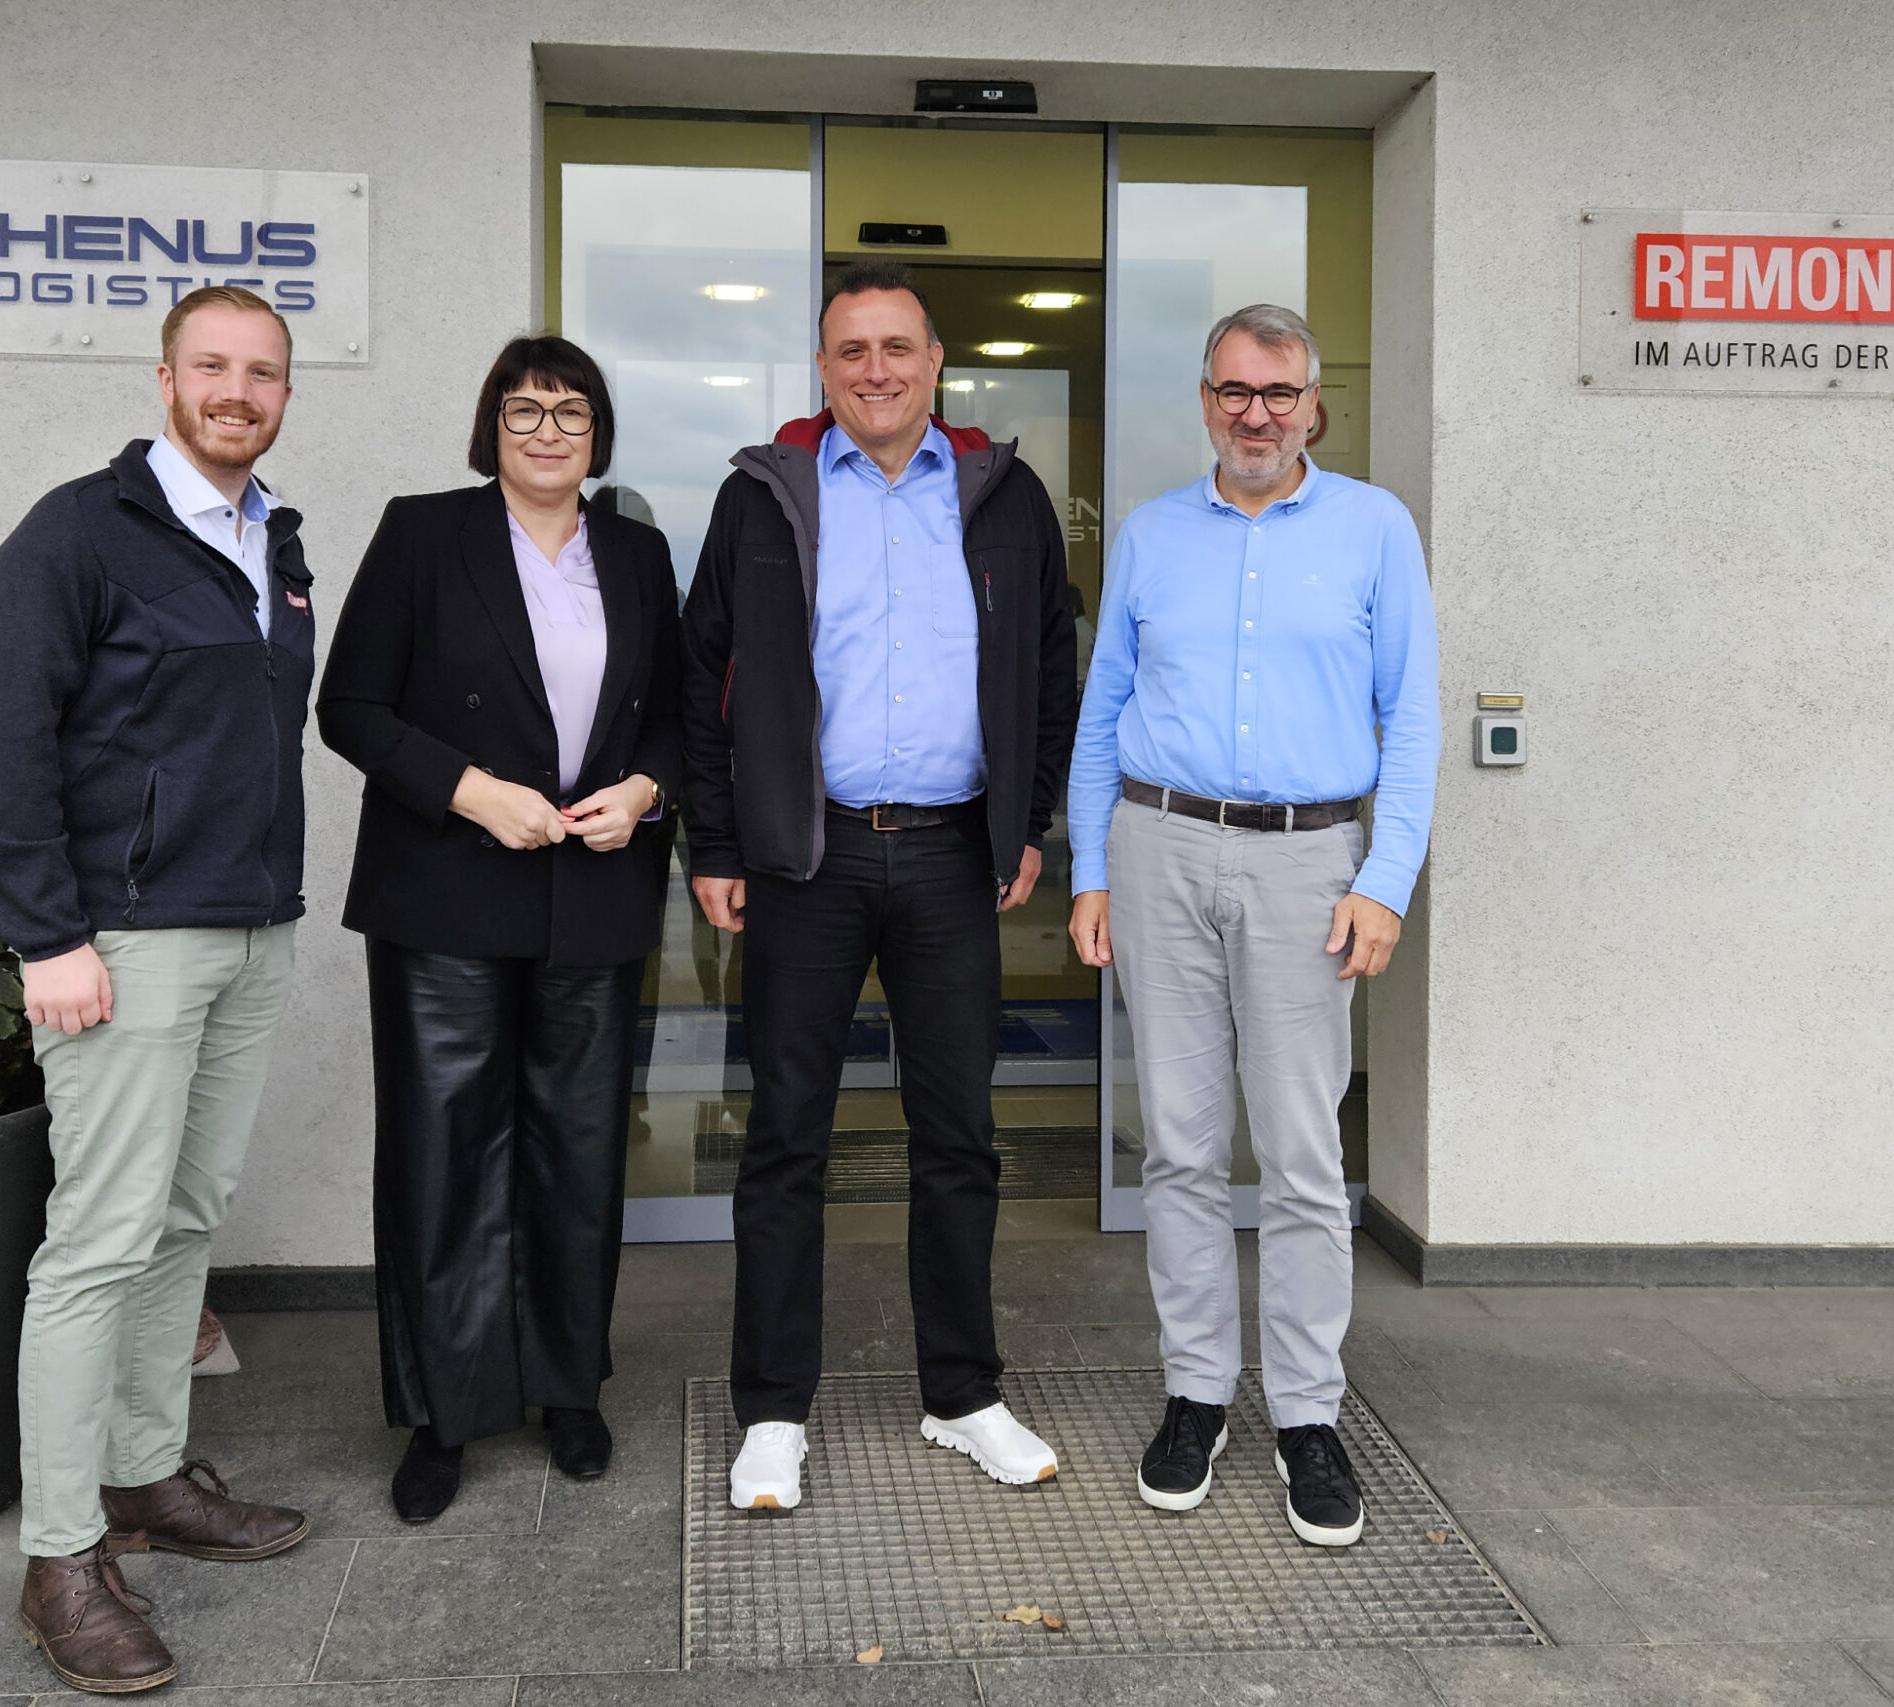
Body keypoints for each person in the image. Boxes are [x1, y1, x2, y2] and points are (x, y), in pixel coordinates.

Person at [0, 286, 318, 1694]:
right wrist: (47, 935)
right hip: (121, 941)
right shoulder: (76, 533)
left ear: (284, 392)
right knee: (98, 1242)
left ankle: (146, 1476)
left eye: (263, 372)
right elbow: (5, 742)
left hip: (249, 931)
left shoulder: (273, 537)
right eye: (212, 366)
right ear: (165, 378)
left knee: (183, 1218)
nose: (238, 390)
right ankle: (59, 1557)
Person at [680, 261, 1079, 1511]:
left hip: (955, 853)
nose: (875, 370)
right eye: (851, 350)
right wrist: (716, 844)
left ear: (935, 360)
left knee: (957, 1136)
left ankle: (961, 1394)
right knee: (785, 1137)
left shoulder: (1001, 492)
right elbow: (704, 676)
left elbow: (1049, 665)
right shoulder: (764, 496)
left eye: (897, 347)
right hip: (808, 855)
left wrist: (1025, 820)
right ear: (821, 367)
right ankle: (771, 1411)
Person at [1068, 303, 1439, 1547]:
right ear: (1206, 401)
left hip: (1307, 864)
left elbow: (1413, 717)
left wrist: (1384, 880)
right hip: (1159, 846)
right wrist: (1090, 869)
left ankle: (1307, 1413)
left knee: (1300, 1155)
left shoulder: (1374, 529)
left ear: (1312, 405)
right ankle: (1195, 1394)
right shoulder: (1150, 534)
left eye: (1278, 393)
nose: (1256, 414)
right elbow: (1102, 708)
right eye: (1233, 391)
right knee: (1177, 1147)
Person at [318, 336, 681, 1524]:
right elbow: (349, 706)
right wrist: (471, 791)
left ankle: (568, 1389)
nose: (547, 432)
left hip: (592, 890)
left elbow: (678, 715)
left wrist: (644, 792)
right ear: (491, 429)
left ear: (598, 434)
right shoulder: (424, 534)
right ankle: (444, 1414)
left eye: (571, 412)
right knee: (447, 1155)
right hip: (447, 891)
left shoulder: (635, 551)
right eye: (524, 411)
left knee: (577, 1154)